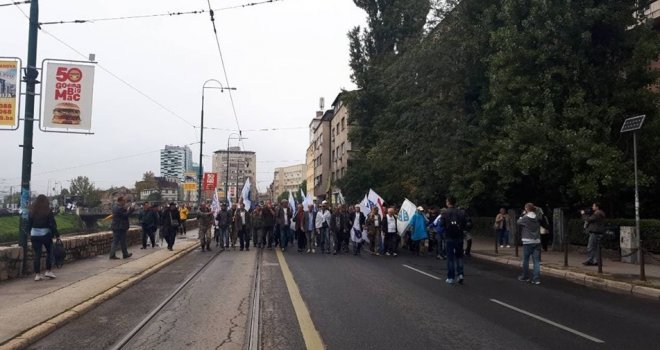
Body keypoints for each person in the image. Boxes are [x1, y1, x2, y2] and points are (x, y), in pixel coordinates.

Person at [28, 194, 59, 281]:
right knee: (49, 252)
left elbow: (29, 224)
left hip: (34, 234)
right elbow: (52, 225)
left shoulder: (32, 211)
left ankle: (37, 275)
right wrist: (57, 235)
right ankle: (48, 271)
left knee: (37, 254)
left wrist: (29, 233)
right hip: (45, 235)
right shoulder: (48, 210)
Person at [441, 197, 466, 284]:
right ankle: (460, 274)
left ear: (448, 202)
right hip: (459, 236)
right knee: (459, 256)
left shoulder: (445, 212)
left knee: (450, 258)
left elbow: (441, 224)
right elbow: (465, 223)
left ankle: (451, 277)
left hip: (449, 237)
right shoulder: (461, 212)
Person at [517, 203, 542, 284]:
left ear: (527, 209)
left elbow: (518, 222)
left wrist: (522, 214)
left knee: (526, 260)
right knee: (536, 261)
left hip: (527, 241)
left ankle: (525, 276)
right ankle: (536, 279)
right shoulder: (538, 217)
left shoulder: (525, 218)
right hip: (537, 241)